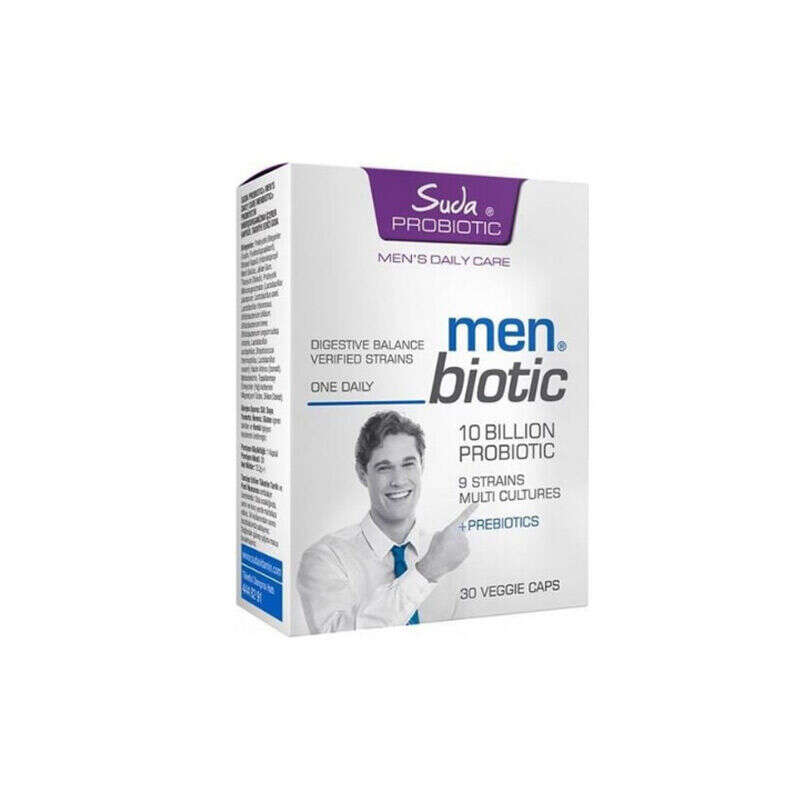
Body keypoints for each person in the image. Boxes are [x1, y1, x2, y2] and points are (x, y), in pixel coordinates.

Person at [297, 411, 478, 633]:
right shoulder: (326, 558)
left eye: (408, 464)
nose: (398, 480)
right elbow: (336, 637)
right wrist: (426, 571)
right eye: (384, 467)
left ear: (422, 466)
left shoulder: (449, 553)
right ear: (362, 474)